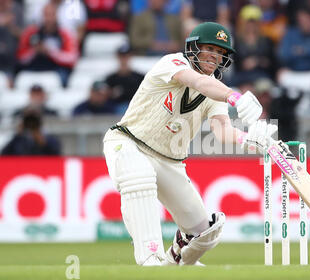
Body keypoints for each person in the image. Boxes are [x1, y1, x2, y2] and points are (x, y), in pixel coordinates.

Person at [102, 22, 274, 266]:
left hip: (170, 162)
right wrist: (234, 95)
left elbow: (222, 130)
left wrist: (249, 139)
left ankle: (174, 262)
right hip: (129, 142)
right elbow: (199, 83)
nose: (215, 57)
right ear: (193, 48)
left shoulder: (216, 89)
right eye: (210, 49)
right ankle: (150, 257)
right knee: (138, 176)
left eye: (221, 53)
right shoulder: (172, 63)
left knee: (204, 233)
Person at [16, 2, 79, 86]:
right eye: (46, 15)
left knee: (64, 77)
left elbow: (72, 58)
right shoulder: (30, 32)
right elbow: (20, 58)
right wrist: (34, 51)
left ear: (57, 15)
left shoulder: (65, 34)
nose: (49, 19)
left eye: (51, 15)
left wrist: (51, 52)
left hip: (56, 69)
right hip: (34, 67)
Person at [105, 44, 144, 114]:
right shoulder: (110, 79)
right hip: (115, 110)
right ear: (118, 57)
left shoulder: (140, 77)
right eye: (122, 56)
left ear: (130, 57)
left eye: (126, 56)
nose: (124, 59)